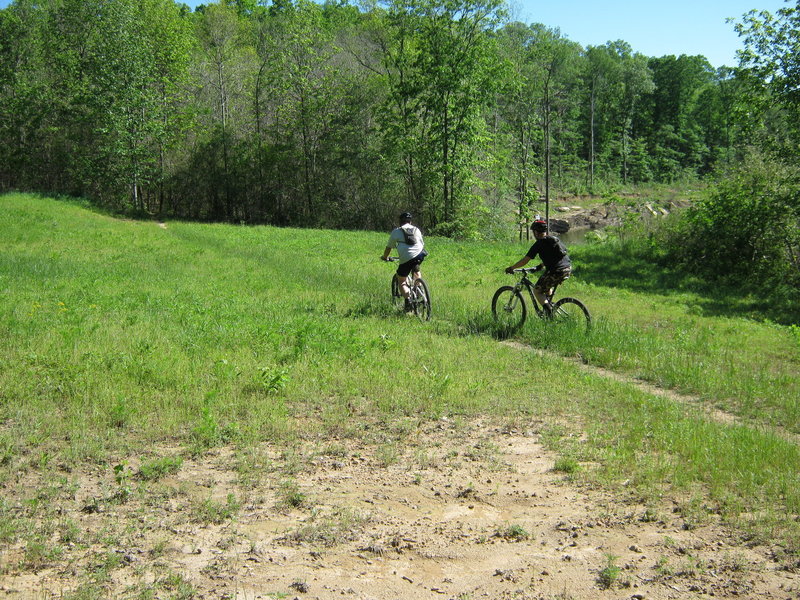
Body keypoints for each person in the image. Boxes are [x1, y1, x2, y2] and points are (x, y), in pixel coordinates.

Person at [504, 219, 571, 315]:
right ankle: (549, 306)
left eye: (533, 231)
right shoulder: (554, 239)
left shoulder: (539, 244)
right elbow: (555, 257)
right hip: (567, 268)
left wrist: (512, 268)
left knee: (537, 291)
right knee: (547, 287)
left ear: (536, 232)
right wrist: (540, 266)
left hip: (555, 271)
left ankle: (550, 313)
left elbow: (525, 260)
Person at [381, 212, 427, 312]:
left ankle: (408, 302)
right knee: (416, 269)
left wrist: (385, 257)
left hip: (406, 257)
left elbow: (389, 247)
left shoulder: (397, 231)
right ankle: (418, 286)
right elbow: (421, 243)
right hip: (419, 254)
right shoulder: (416, 229)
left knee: (401, 280)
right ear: (410, 221)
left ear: (400, 222)